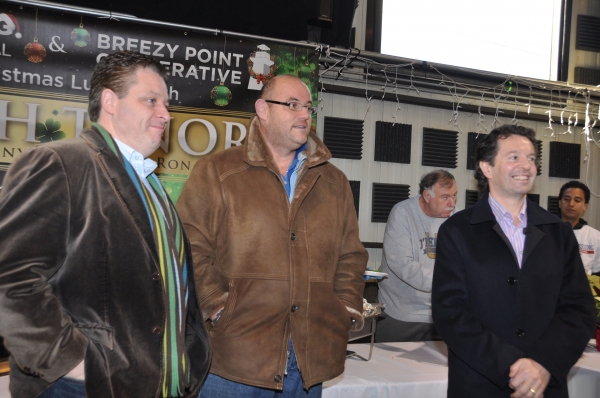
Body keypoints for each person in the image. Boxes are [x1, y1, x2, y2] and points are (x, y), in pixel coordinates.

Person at [0, 51, 210, 398]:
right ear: (110, 101)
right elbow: (11, 277)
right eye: (151, 100)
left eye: (166, 103)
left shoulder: (150, 184)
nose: (165, 114)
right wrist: (73, 364)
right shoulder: (60, 163)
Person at [176, 74, 368, 397]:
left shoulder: (335, 183)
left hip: (309, 363)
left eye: (308, 107)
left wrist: (345, 310)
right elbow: (187, 247)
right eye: (292, 105)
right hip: (235, 361)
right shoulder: (217, 172)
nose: (305, 115)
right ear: (262, 110)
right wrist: (218, 307)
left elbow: (351, 255)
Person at [432, 124, 595, 398]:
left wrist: (542, 364)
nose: (527, 166)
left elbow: (579, 310)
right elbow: (450, 312)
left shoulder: (558, 232)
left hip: (545, 384)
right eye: (514, 157)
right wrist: (511, 366)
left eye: (531, 158)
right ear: (486, 168)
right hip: (481, 383)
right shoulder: (457, 231)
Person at [376, 169, 457, 342]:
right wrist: (446, 282)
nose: (452, 203)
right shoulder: (403, 212)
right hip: (402, 314)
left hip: (442, 313)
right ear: (427, 195)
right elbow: (401, 263)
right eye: (445, 197)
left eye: (454, 196)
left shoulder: (456, 219)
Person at [558, 180, 600, 275]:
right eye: (566, 199)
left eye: (577, 200)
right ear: (559, 203)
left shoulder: (596, 237)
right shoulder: (545, 232)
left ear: (585, 206)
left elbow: (597, 274)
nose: (571, 204)